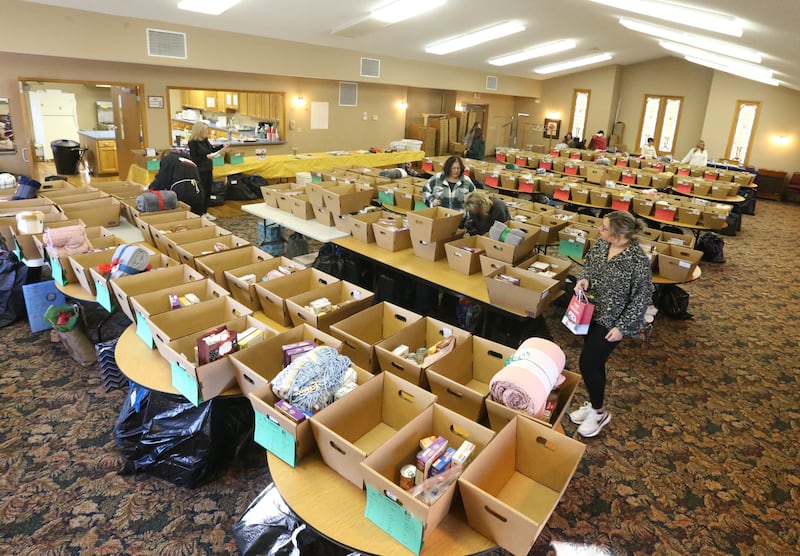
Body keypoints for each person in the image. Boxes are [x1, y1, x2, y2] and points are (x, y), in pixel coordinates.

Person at [568, 211, 653, 438]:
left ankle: (599, 412)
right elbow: (588, 265)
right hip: (591, 312)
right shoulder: (601, 245)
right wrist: (583, 279)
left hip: (612, 321)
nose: (599, 230)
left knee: (587, 363)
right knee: (595, 364)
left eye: (604, 228)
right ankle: (594, 402)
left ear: (618, 235)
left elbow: (641, 298)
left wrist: (622, 328)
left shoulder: (637, 260)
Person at [188, 121, 226, 221]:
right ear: (199, 131)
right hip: (200, 170)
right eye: (205, 130)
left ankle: (205, 211)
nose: (206, 132)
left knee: (209, 190)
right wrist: (206, 156)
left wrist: (222, 146)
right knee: (202, 191)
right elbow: (194, 158)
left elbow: (211, 150)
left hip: (208, 168)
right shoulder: (193, 142)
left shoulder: (205, 140)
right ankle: (200, 213)